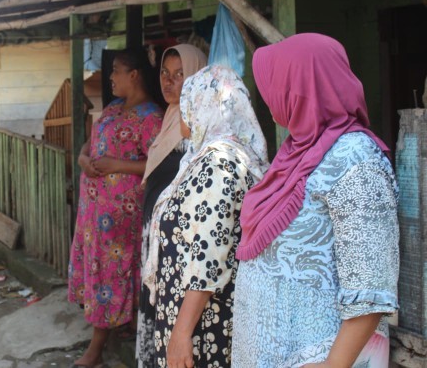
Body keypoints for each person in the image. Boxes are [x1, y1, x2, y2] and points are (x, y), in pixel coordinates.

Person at [232, 33, 399, 367]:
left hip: (319, 357)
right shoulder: (298, 152)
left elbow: (372, 286)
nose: (270, 97)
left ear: (301, 87)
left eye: (277, 84)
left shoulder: (356, 160)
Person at [141, 64, 268, 368]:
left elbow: (208, 257)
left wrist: (182, 332)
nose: (183, 112)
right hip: (193, 314)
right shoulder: (209, 158)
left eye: (188, 101)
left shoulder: (219, 164)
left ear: (204, 104)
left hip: (203, 324)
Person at [68, 49, 164, 368]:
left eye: (116, 72)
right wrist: (84, 159)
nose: (111, 78)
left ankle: (96, 349)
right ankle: (125, 324)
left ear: (133, 75)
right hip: (95, 211)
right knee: (103, 271)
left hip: (122, 214)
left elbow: (158, 162)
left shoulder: (152, 116)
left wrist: (115, 165)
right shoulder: (111, 109)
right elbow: (89, 145)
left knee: (113, 273)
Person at [136, 44, 207, 367]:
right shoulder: (170, 118)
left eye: (180, 75)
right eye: (165, 73)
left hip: (180, 247)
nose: (169, 81)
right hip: (157, 237)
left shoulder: (198, 127)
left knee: (171, 316)